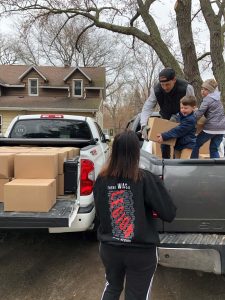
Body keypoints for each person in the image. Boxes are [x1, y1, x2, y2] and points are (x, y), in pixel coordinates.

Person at [93, 130, 176, 300]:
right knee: (137, 295)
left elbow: (101, 214)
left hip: (110, 248)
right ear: (137, 152)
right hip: (141, 251)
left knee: (112, 287)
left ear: (113, 151)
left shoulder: (101, 180)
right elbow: (168, 213)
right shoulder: (146, 179)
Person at [141, 67, 195, 158]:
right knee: (164, 142)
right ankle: (165, 164)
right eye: (162, 84)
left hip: (181, 119)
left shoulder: (186, 87)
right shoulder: (156, 90)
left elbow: (192, 105)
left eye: (167, 84)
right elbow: (147, 107)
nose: (165, 87)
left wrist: (179, 116)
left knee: (180, 143)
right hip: (165, 117)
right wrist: (143, 125)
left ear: (174, 80)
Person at [191, 79, 225, 159]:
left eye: (206, 89)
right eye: (202, 88)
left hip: (211, 128)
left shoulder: (207, 99)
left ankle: (192, 163)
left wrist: (190, 118)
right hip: (222, 129)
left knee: (196, 143)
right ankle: (215, 167)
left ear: (211, 91)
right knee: (214, 148)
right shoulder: (218, 100)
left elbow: (200, 113)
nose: (203, 91)